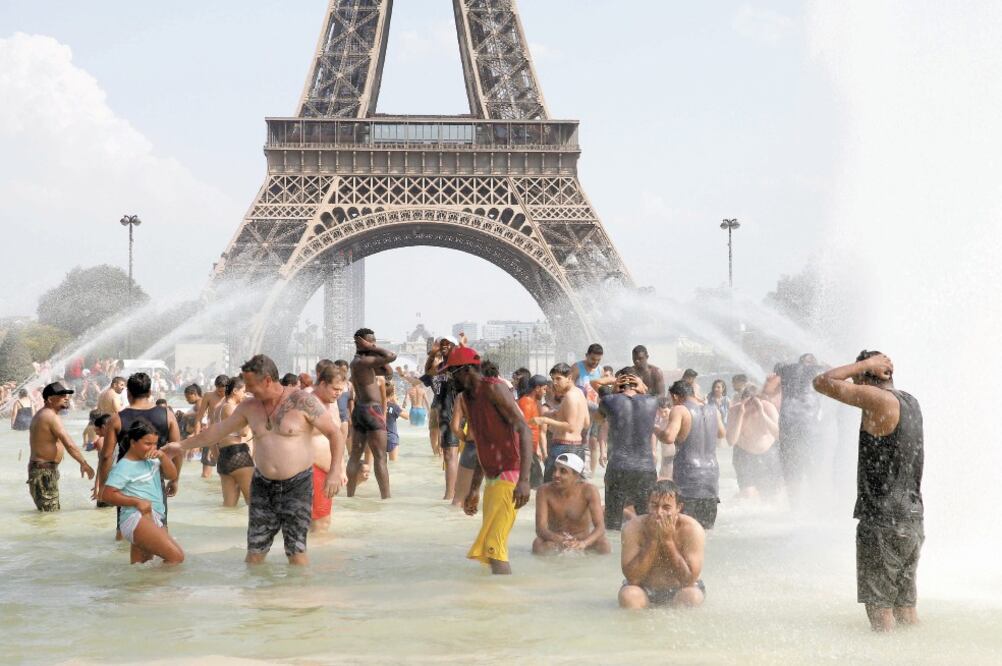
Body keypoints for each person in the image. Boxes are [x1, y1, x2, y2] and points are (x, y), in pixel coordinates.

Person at [164, 354, 344, 566]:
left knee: (296, 553)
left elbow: (335, 434)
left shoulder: (302, 401)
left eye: (251, 384)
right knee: (255, 554)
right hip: (262, 485)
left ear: (267, 380)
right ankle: (256, 597)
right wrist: (180, 446)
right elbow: (217, 431)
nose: (247, 390)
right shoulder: (249, 407)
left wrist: (334, 471)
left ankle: (298, 597)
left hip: (297, 485)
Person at [813, 351, 924, 632]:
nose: (851, 381)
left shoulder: (879, 401)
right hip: (911, 520)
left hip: (882, 522)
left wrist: (863, 365)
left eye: (856, 377)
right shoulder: (910, 401)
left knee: (880, 616)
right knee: (905, 609)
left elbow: (821, 382)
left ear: (866, 376)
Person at [449, 347, 533, 575]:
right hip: (492, 477)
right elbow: (481, 444)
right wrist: (474, 489)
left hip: (511, 474)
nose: (450, 379)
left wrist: (524, 481)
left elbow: (524, 430)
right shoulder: (467, 398)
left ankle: (504, 605)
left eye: (452, 373)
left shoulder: (495, 389)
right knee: (491, 549)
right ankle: (493, 601)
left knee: (495, 547)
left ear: (466, 370)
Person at [97, 373, 182, 537]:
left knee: (124, 531)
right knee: (160, 528)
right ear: (150, 392)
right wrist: (175, 479)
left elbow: (106, 456)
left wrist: (103, 487)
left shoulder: (117, 419)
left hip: (126, 483)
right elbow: (177, 450)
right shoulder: (167, 415)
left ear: (128, 394)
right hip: (155, 480)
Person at [101, 419, 184, 565]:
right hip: (136, 518)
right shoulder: (124, 466)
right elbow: (107, 495)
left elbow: (172, 475)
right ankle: (163, 588)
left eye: (155, 444)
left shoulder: (152, 459)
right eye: (147, 443)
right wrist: (136, 501)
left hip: (151, 517)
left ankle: (141, 588)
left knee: (141, 566)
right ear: (133, 442)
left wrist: (163, 456)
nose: (152, 447)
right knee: (176, 557)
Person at [619, 480, 706, 609]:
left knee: (692, 596)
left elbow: (688, 580)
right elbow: (633, 578)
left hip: (681, 589)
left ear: (678, 508)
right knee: (629, 595)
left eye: (666, 507)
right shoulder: (633, 528)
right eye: (654, 506)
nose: (659, 512)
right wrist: (653, 540)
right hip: (644, 589)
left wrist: (667, 541)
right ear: (648, 505)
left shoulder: (692, 529)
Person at [594, 368, 660, 530]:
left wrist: (615, 389)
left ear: (618, 383)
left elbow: (598, 419)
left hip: (618, 467)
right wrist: (642, 387)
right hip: (645, 468)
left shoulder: (608, 401)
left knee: (613, 523)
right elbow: (648, 394)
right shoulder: (653, 401)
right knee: (647, 520)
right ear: (639, 384)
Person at [660, 381, 725, 529]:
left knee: (684, 532)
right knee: (705, 532)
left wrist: (656, 429)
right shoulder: (713, 410)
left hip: (688, 479)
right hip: (711, 480)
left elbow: (669, 437)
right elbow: (722, 433)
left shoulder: (680, 410)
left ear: (675, 397)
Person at [765, 353, 826, 502]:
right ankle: (816, 503)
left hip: (788, 424)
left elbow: (769, 390)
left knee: (792, 468)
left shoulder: (786, 369)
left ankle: (795, 507)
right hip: (811, 426)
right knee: (813, 465)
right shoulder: (820, 370)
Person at [27, 382, 95, 511]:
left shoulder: (44, 414)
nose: (66, 398)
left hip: (43, 471)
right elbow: (68, 443)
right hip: (43, 473)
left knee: (48, 515)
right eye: (62, 395)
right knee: (49, 516)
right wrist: (84, 463)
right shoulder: (50, 416)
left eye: (66, 395)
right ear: (50, 399)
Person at [347, 328, 397, 499]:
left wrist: (371, 349)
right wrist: (372, 348)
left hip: (360, 410)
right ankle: (387, 498)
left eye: (374, 341)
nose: (374, 343)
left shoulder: (359, 362)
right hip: (371, 410)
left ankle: (350, 496)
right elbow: (391, 355)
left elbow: (388, 371)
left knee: (355, 455)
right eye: (370, 340)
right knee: (380, 457)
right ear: (361, 342)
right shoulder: (363, 361)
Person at [533, 452, 610, 555]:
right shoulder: (544, 491)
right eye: (555, 469)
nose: (556, 474)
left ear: (576, 476)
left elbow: (600, 527)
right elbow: (540, 529)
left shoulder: (589, 490)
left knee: (604, 544)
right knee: (537, 544)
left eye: (563, 471)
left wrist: (583, 543)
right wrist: (560, 540)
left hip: (582, 539)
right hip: (556, 540)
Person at [533, 363, 589, 482]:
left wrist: (545, 420)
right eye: (553, 379)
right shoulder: (579, 393)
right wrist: (555, 414)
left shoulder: (569, 397)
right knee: (573, 491)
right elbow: (586, 423)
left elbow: (570, 427)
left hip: (563, 448)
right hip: (577, 448)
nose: (555, 382)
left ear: (569, 378)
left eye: (558, 378)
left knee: (549, 490)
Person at [310, 361, 348, 532]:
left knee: (321, 522)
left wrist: (341, 467)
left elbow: (338, 438)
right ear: (323, 383)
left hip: (329, 471)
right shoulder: (309, 404)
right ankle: (322, 557)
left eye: (341, 390)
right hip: (312, 469)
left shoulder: (331, 404)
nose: (338, 394)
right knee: (320, 523)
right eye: (335, 389)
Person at [725, 385, 782, 499]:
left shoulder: (768, 408)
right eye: (747, 403)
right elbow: (731, 441)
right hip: (744, 455)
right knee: (748, 495)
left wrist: (761, 412)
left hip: (768, 455)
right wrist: (741, 413)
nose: (750, 407)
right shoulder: (735, 410)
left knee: (770, 495)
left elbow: (778, 435)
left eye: (753, 403)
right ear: (742, 401)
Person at [422, 336, 459, 490]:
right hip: (445, 413)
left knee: (454, 454)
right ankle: (452, 495)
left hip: (459, 413)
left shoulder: (459, 365)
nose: (443, 346)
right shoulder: (440, 367)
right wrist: (432, 354)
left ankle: (455, 495)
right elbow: (428, 373)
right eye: (441, 344)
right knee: (449, 453)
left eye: (447, 344)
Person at [215, 376, 255, 507]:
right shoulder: (232, 408)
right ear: (235, 391)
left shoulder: (218, 408)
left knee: (229, 506)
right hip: (238, 454)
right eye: (243, 391)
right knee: (254, 502)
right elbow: (243, 432)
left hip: (223, 456)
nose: (245, 394)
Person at [195, 375, 230, 478]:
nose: (221, 394)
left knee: (227, 474)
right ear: (215, 387)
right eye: (219, 391)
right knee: (206, 475)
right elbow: (199, 418)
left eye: (224, 391)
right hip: (211, 434)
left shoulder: (232, 396)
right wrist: (197, 438)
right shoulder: (209, 396)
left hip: (227, 437)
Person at [517, 374, 549, 488]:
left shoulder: (533, 402)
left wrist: (538, 448)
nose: (545, 392)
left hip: (531, 449)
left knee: (535, 483)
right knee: (537, 483)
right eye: (544, 389)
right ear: (537, 388)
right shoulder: (526, 402)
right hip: (526, 449)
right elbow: (522, 427)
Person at [384, 383, 405, 462]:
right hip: (391, 438)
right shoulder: (393, 407)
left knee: (380, 463)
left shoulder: (376, 405)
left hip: (379, 437)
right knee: (393, 463)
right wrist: (396, 402)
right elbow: (407, 416)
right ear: (392, 394)